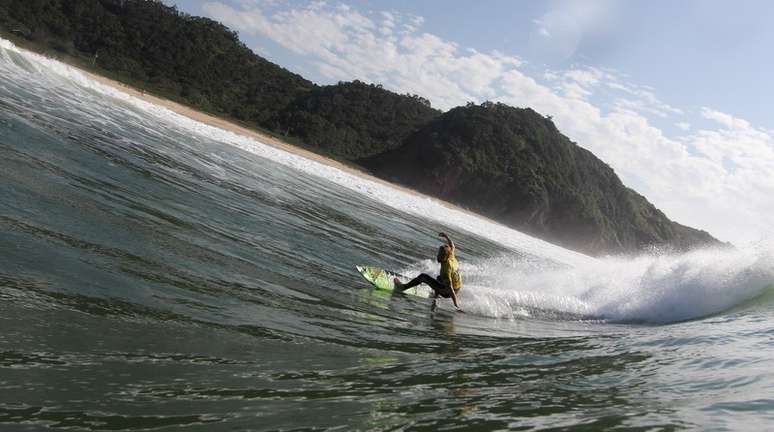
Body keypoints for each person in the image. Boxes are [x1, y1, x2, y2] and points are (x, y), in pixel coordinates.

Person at [395, 232, 463, 312]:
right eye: (439, 253)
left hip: (448, 292)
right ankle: (436, 296)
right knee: (439, 278)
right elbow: (452, 245)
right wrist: (446, 236)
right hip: (457, 287)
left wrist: (456, 305)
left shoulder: (446, 270)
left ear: (445, 257)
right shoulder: (451, 256)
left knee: (423, 277)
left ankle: (403, 287)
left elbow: (450, 289)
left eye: (441, 255)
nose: (438, 256)